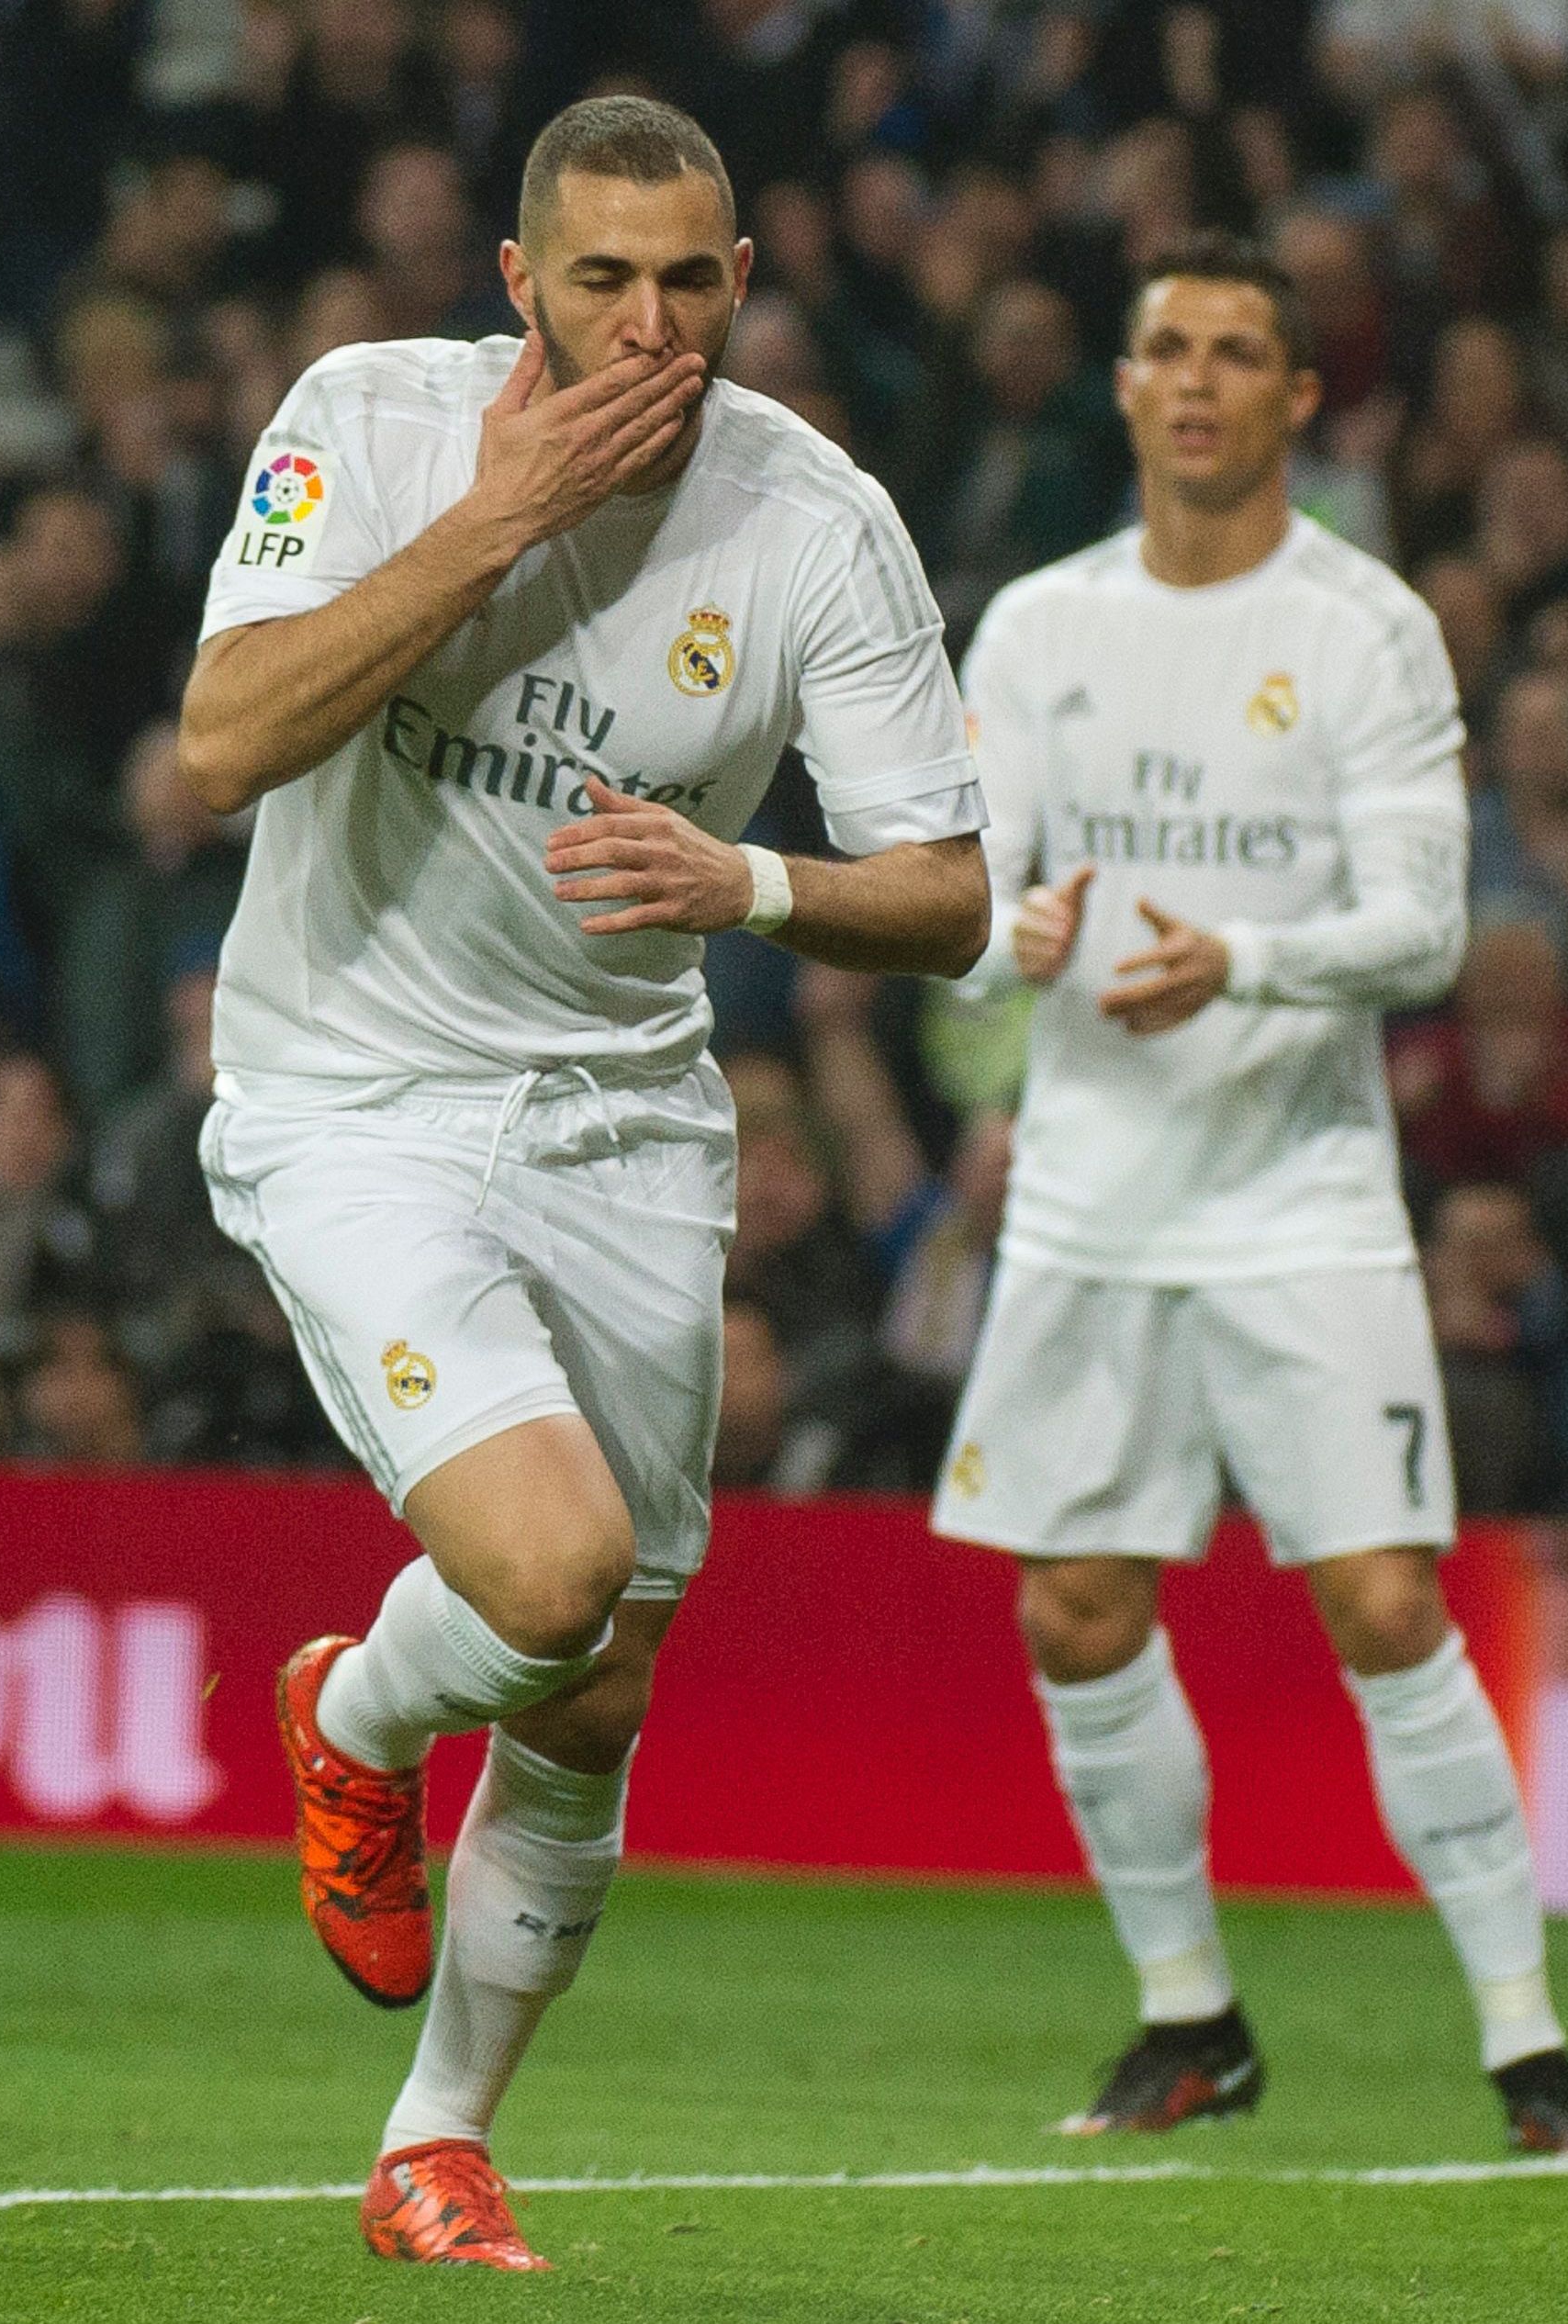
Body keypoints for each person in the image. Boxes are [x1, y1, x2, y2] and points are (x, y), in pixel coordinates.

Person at [175, 97, 991, 2271]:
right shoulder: (363, 419)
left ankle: (432, 2138)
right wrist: (487, 518)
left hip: (623, 1117)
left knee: (599, 1683)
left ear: (739, 282)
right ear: (515, 282)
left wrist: (744, 878)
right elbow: (219, 736)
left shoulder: (812, 522)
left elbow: (943, 893)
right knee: (544, 1577)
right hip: (350, 1088)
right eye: (601, 279)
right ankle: (349, 1714)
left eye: (688, 280)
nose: (646, 322)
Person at [937, 234, 1568, 2160]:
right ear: (1123, 384)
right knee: (1079, 1609)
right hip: (1093, 1193)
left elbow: (1426, 921)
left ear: (1295, 394)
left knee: (1381, 1594)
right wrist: (1015, 932)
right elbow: (963, 909)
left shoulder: (1364, 626)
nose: (1193, 380)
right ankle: (1191, 2019)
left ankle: (1529, 2042)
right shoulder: (1034, 628)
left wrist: (1236, 963)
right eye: (1163, 347)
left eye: (1234, 351)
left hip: (1299, 1190)